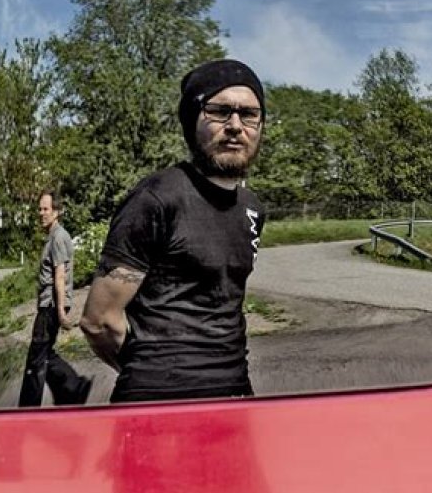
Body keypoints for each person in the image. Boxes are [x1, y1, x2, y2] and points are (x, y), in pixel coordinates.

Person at [80, 58, 266, 403]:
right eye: (219, 112)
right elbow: (99, 320)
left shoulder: (252, 208)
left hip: (236, 395)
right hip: (157, 403)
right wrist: (153, 371)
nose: (235, 125)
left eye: (249, 114)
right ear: (192, 120)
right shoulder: (156, 198)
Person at [18, 190, 92, 407]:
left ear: (57, 212)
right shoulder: (54, 236)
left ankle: (27, 410)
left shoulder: (58, 237)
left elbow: (60, 275)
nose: (41, 213)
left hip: (51, 304)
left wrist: (60, 310)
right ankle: (74, 386)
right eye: (40, 209)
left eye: (46, 209)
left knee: (36, 358)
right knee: (44, 353)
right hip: (49, 303)